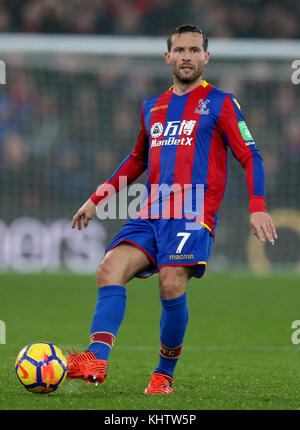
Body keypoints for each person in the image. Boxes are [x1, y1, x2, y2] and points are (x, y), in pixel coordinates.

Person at [67, 24, 277, 395]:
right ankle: (97, 356)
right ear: (168, 57)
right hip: (151, 211)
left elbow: (250, 155)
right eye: (180, 50)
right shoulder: (153, 106)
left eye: (195, 50)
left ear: (206, 57)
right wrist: (96, 199)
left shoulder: (221, 102)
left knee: (170, 282)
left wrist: (257, 206)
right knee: (109, 269)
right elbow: (136, 160)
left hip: (193, 212)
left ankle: (164, 374)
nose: (187, 56)